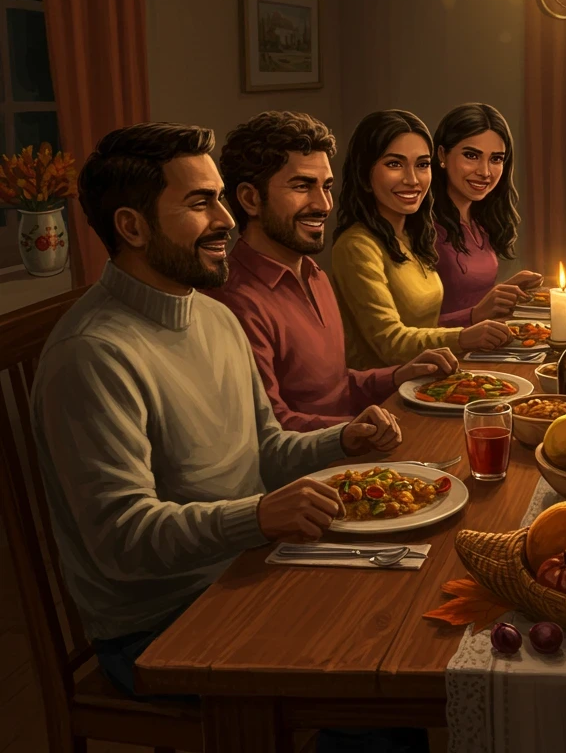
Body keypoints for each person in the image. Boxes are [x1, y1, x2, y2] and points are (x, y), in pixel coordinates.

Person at [30, 123, 422, 751]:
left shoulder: (211, 313)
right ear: (131, 228)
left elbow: (264, 447)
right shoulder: (94, 354)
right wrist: (262, 517)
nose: (226, 221)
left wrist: (342, 442)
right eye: (199, 203)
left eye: (218, 197)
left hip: (245, 569)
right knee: (374, 685)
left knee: (401, 623)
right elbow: (122, 541)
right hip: (159, 627)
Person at [210, 111, 459, 431]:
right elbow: (270, 428)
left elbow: (335, 387)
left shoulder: (315, 275)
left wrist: (398, 375)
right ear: (250, 198)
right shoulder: (233, 300)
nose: (323, 204)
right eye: (302, 186)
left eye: (326, 187)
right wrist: (356, 430)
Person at [331, 109, 512, 369]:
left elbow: (426, 325)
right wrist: (464, 336)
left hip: (430, 376)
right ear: (364, 173)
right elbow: (390, 343)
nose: (412, 179)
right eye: (395, 164)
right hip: (387, 394)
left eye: (421, 165)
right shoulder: (356, 245)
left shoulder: (413, 236)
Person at [430, 102, 542, 326]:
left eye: (496, 159)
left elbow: (469, 298)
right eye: (471, 156)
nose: (485, 172)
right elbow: (408, 332)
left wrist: (506, 290)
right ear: (442, 154)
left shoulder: (478, 221)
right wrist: (476, 314)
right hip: (442, 354)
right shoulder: (424, 227)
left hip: (481, 348)